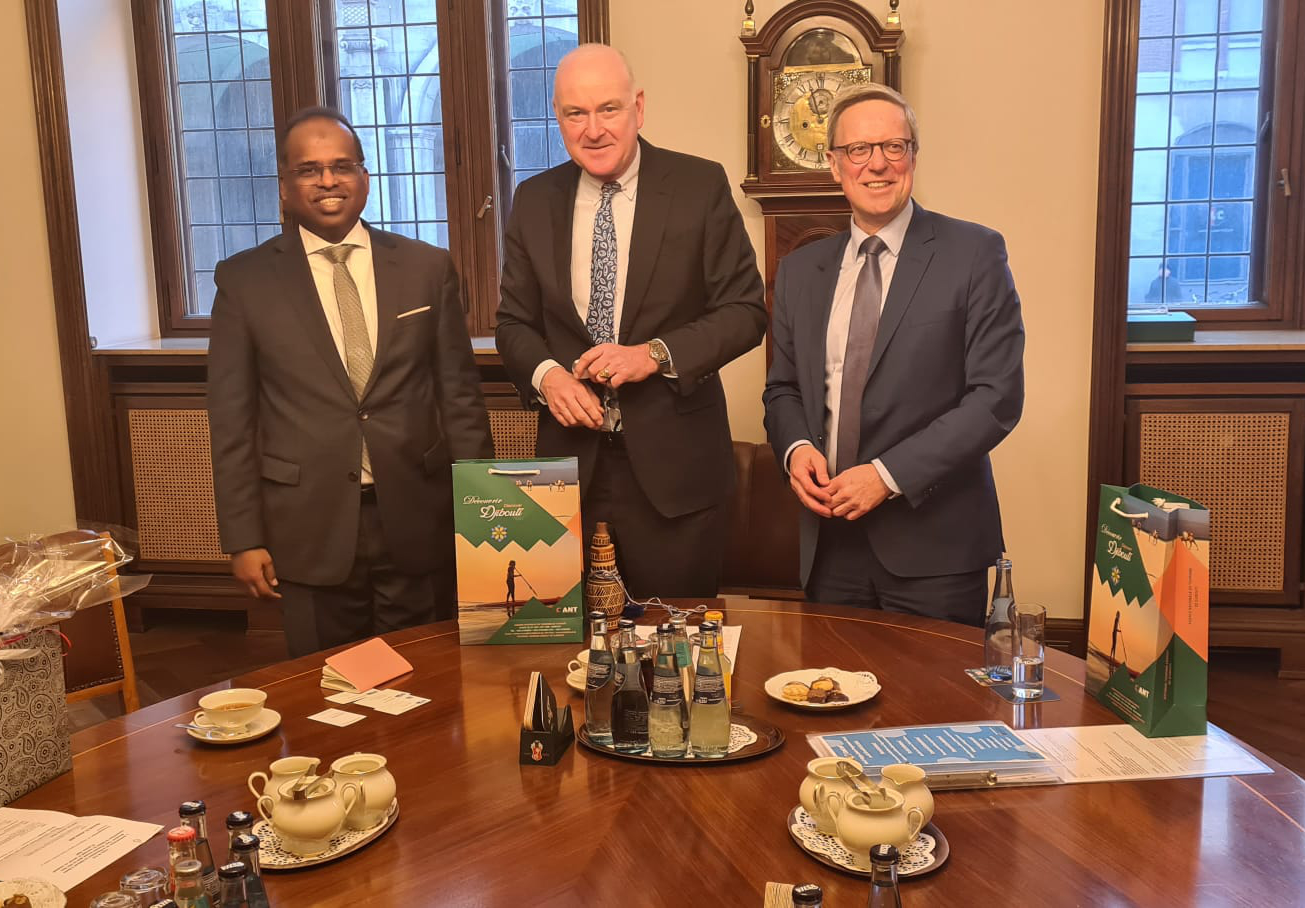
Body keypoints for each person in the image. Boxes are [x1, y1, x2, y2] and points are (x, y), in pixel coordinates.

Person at [208, 106, 493, 658]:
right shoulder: (244, 281)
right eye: (308, 169)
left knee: (426, 679)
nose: (327, 180)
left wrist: (481, 514)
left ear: (364, 177)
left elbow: (459, 398)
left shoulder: (425, 267)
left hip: (417, 516)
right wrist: (243, 537)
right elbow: (233, 420)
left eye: (342, 166)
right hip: (307, 526)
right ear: (285, 186)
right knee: (328, 691)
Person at [496, 44, 766, 598]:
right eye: (576, 113)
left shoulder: (698, 187)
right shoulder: (533, 199)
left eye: (608, 109)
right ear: (558, 116)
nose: (593, 129)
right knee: (565, 652)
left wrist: (654, 354)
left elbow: (745, 311)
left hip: (676, 478)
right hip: (567, 475)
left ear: (638, 108)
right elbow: (513, 324)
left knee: (675, 659)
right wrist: (548, 375)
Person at [763, 84, 1025, 626]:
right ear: (835, 165)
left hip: (935, 548)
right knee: (830, 701)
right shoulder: (800, 270)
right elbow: (782, 387)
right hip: (829, 542)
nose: (876, 164)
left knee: (936, 707)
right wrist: (794, 450)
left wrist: (885, 475)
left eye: (893, 147)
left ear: (913, 157)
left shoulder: (974, 253)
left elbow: (996, 398)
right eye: (858, 150)